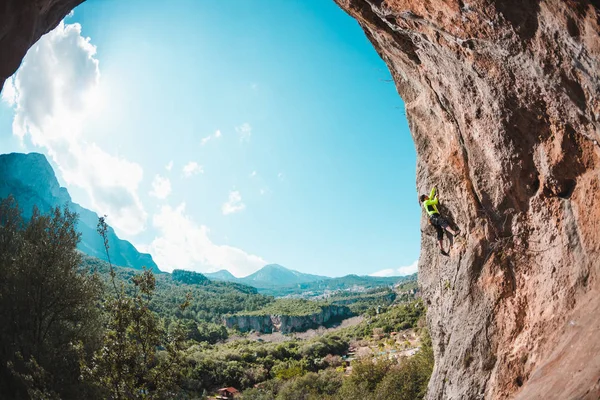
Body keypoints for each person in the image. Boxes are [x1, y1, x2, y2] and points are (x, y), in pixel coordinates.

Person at [420, 186, 460, 256]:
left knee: (440, 232)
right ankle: (453, 232)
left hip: (432, 219)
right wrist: (436, 197)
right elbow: (435, 201)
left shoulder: (427, 201)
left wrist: (433, 189)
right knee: (443, 223)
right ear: (424, 198)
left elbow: (431, 196)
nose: (427, 196)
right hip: (435, 216)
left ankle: (441, 249)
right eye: (426, 196)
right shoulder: (426, 202)